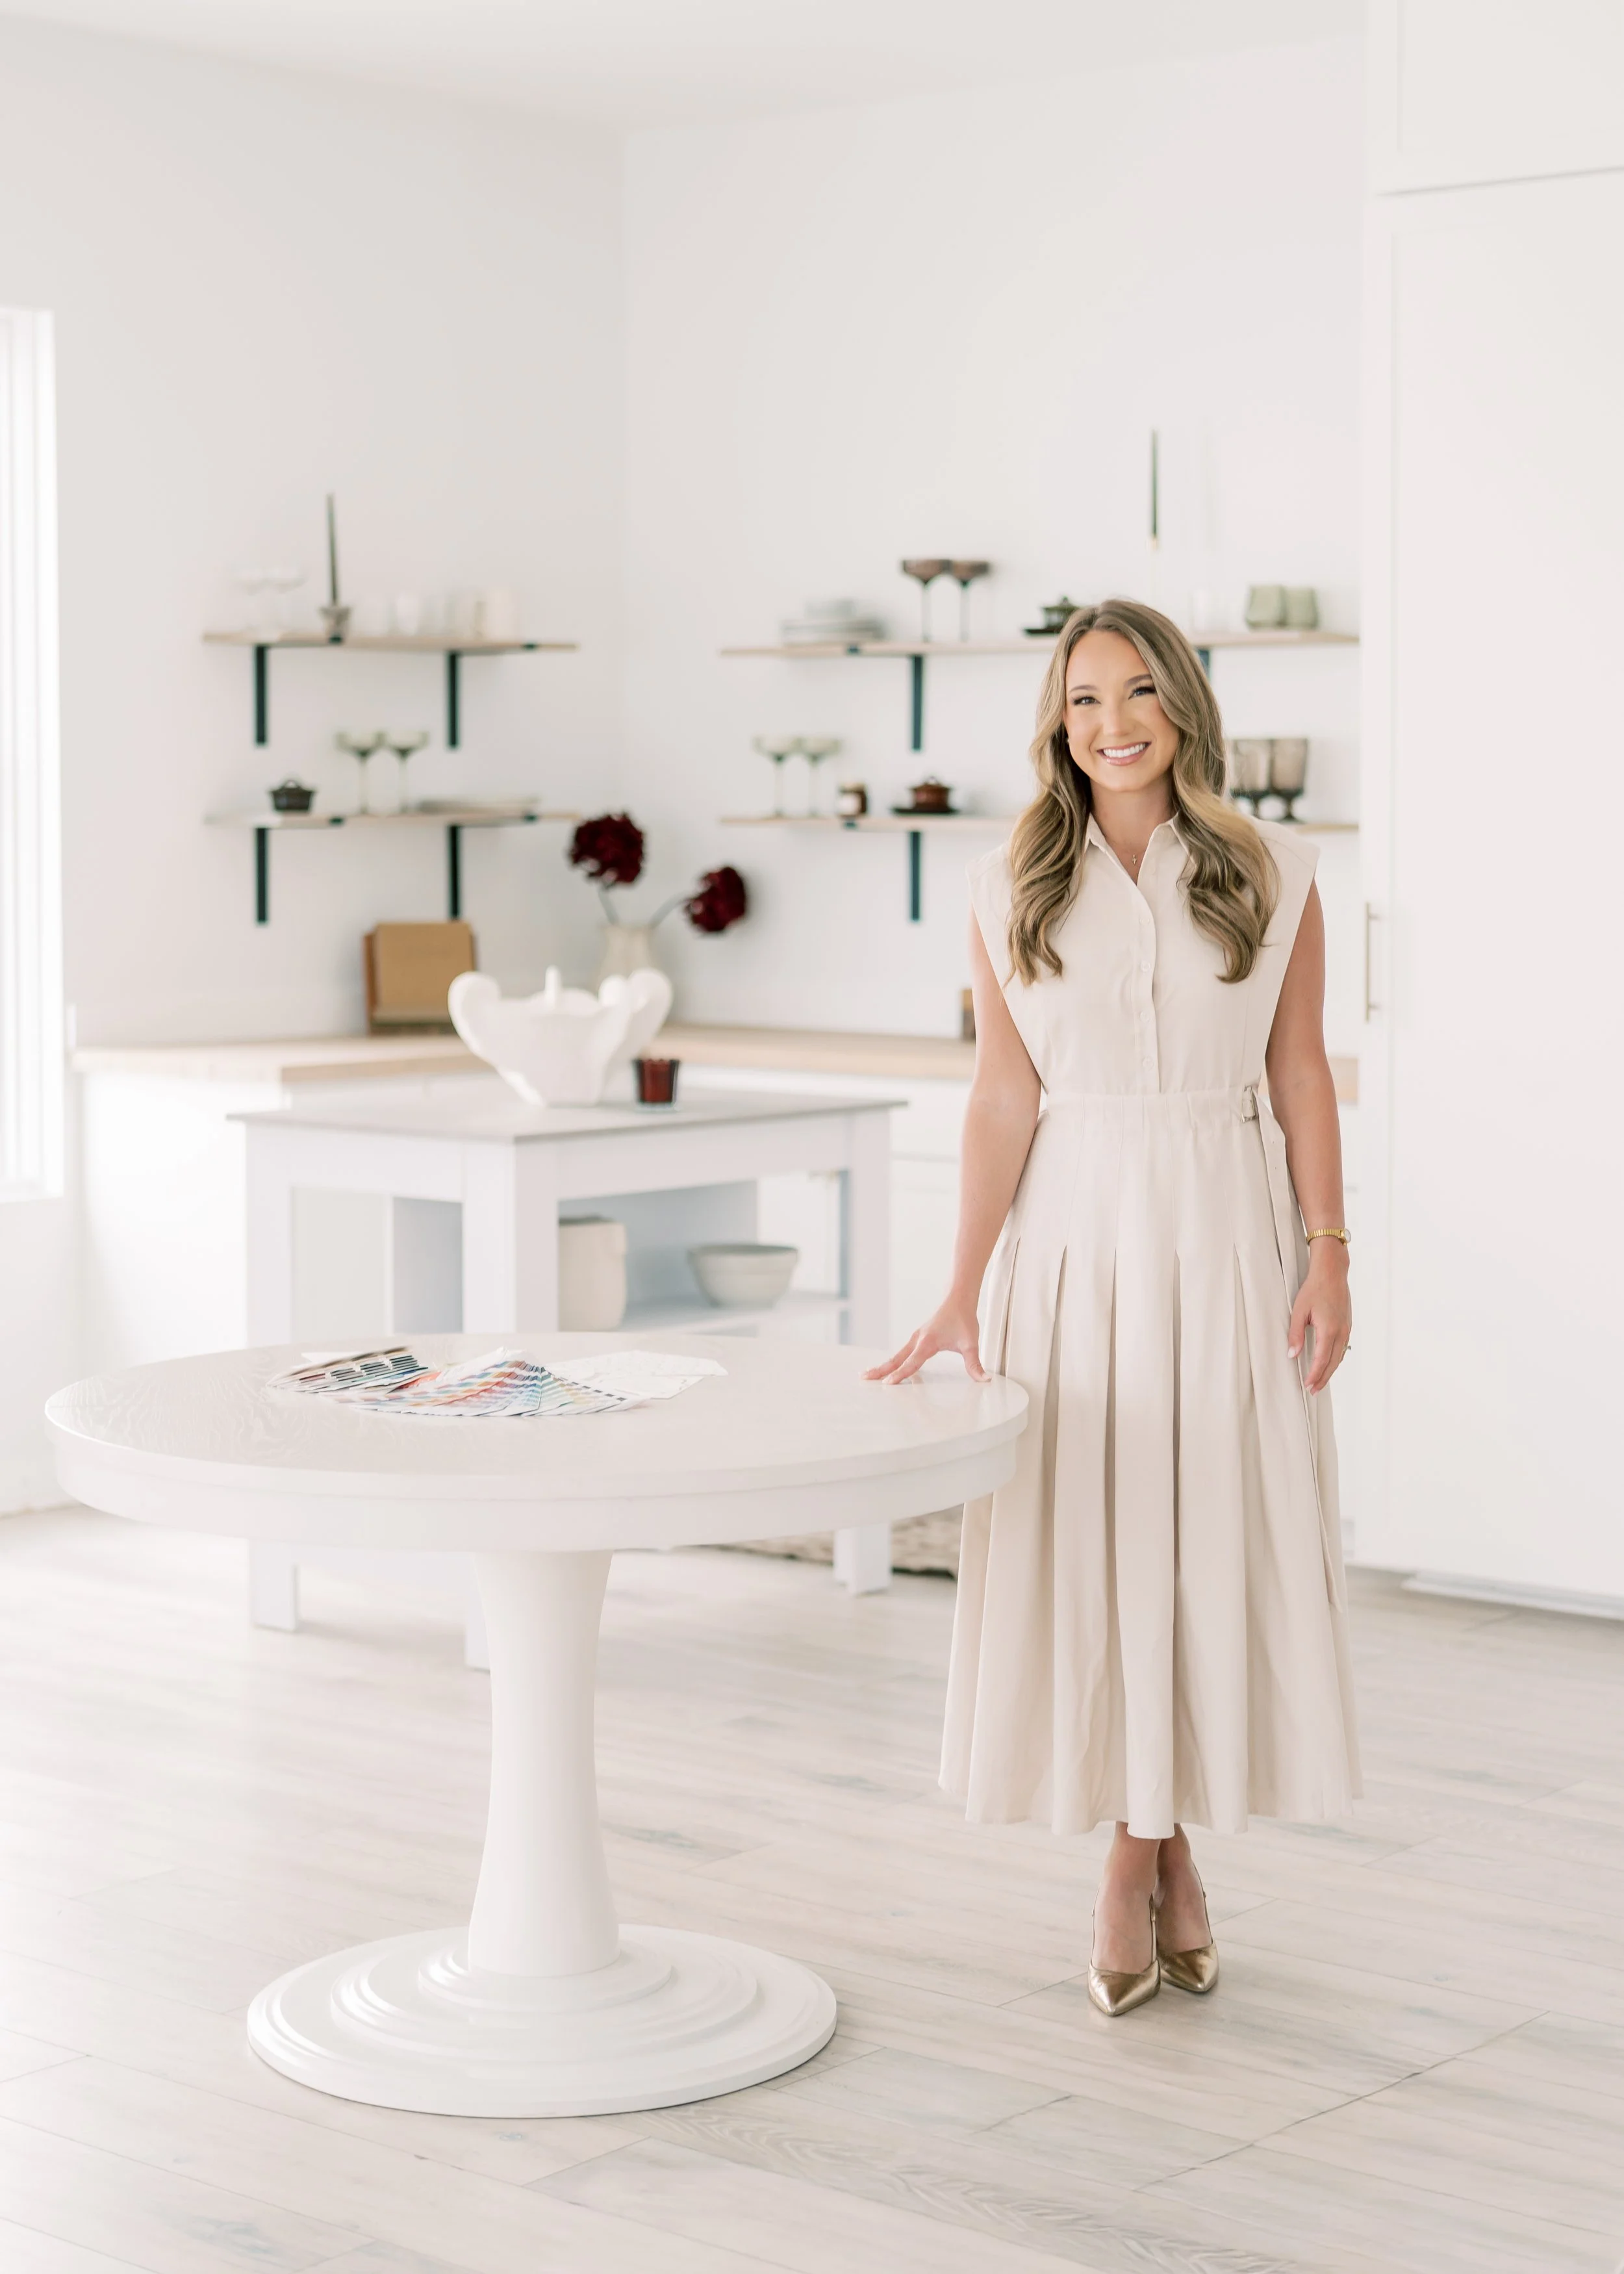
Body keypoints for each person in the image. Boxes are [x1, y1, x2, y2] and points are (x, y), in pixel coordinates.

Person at [867, 598, 1360, 2017]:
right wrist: (960, 1289)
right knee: (1099, 1552)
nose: (1112, 722)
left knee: (1203, 1546)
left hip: (1223, 1238)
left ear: (1182, 707)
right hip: (1071, 1244)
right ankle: (1152, 1852)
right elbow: (1001, 1094)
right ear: (1054, 722)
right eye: (1082, 699)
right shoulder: (1002, 879)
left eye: (1137, 691)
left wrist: (1329, 1250)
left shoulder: (1275, 867)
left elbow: (1301, 1072)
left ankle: (1133, 1858)